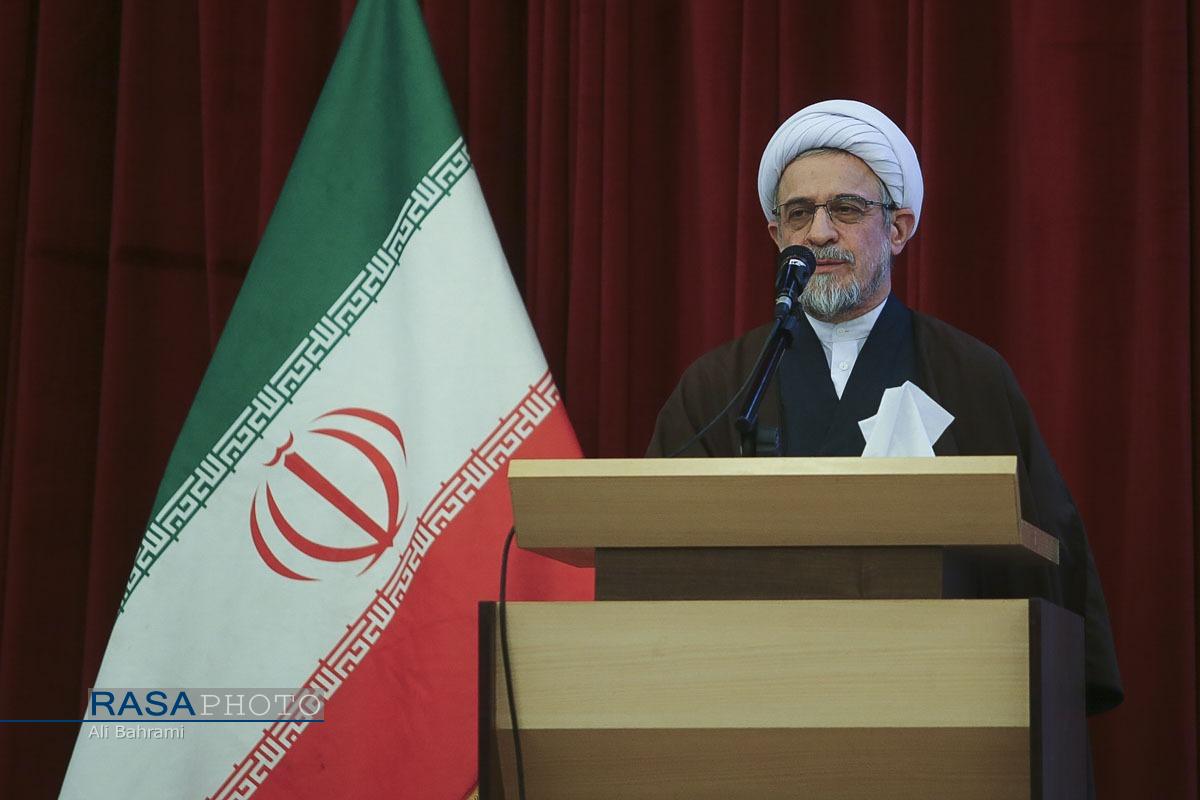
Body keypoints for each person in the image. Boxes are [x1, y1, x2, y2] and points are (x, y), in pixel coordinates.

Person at [646, 99, 1123, 717]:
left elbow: (1042, 557)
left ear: (897, 229)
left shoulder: (970, 377)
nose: (819, 233)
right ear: (777, 237)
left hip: (937, 700)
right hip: (757, 699)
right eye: (798, 214)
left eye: (845, 209)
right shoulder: (721, 387)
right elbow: (661, 554)